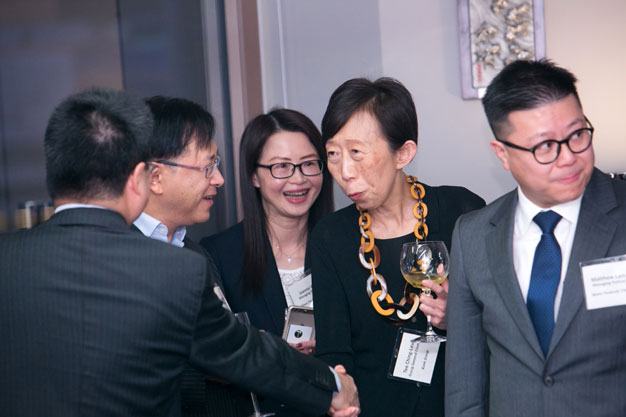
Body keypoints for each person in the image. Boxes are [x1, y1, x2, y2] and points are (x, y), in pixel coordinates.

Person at [0, 88, 360, 417]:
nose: (219, 179)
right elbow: (237, 351)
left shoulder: (9, 258)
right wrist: (331, 386)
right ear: (147, 177)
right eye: (208, 166)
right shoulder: (173, 270)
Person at [445, 59, 626, 417]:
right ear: (503, 154)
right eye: (545, 146)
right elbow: (465, 386)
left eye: (577, 135)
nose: (568, 157)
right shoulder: (474, 235)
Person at [309, 78, 485, 417]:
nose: (344, 172)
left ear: (403, 153)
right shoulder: (330, 237)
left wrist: (460, 318)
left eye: (356, 153)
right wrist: (337, 390)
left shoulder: (462, 212)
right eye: (332, 154)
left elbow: (507, 324)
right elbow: (334, 351)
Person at [201, 108, 333, 416]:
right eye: (281, 167)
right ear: (253, 176)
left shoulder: (345, 245)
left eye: (309, 164)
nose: (298, 179)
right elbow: (215, 358)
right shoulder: (219, 254)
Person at [136, 95, 252, 417]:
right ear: (156, 177)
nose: (219, 179)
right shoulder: (117, 254)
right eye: (208, 166)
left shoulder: (194, 253)